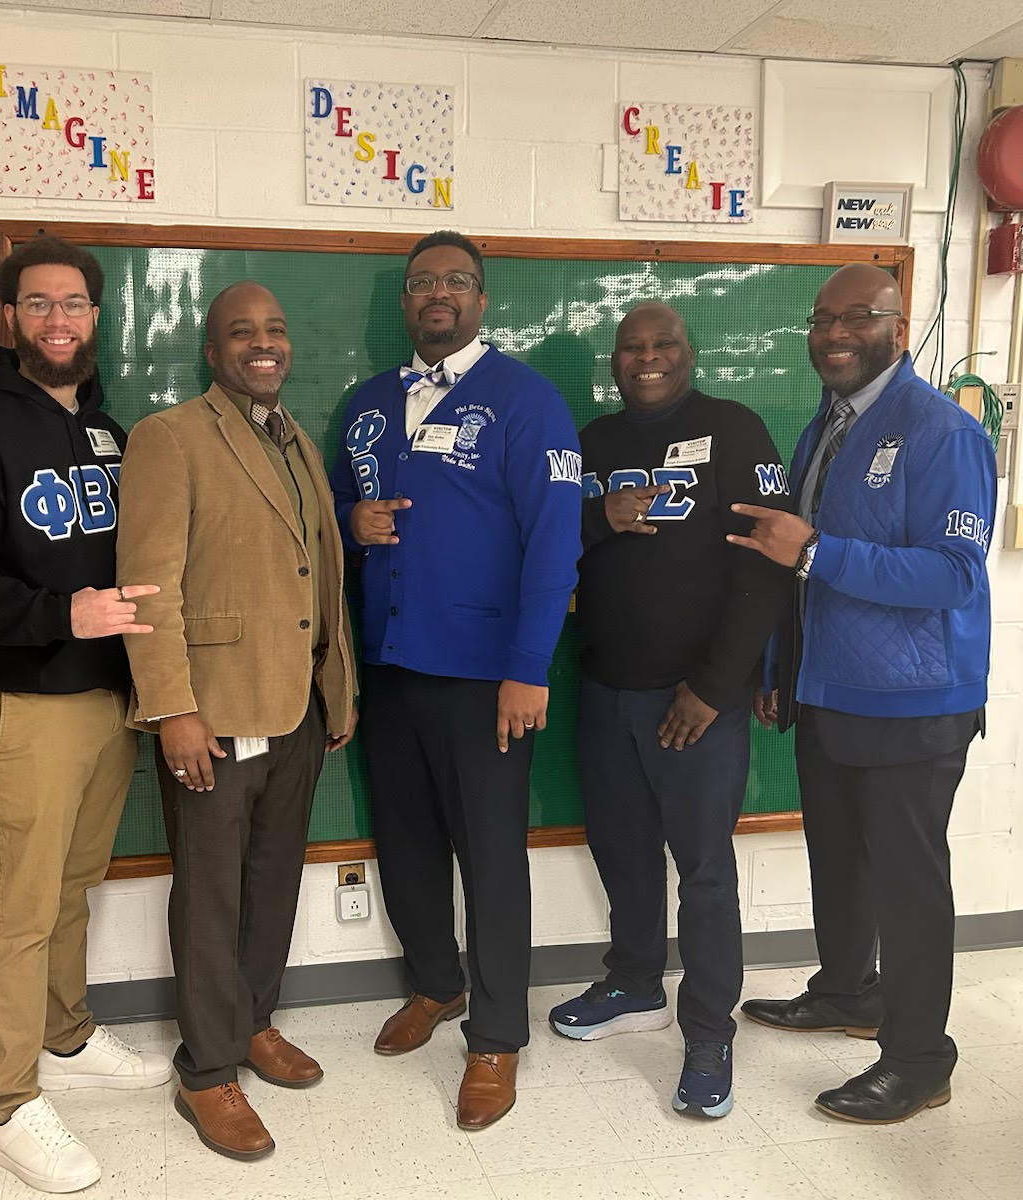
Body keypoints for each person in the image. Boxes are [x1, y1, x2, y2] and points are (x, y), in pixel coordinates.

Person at [0, 236, 172, 1194]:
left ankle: (62, 1035)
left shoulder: (108, 429)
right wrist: (57, 615)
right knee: (21, 906)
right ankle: (9, 1104)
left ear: (95, 316)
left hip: (108, 699)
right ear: (11, 316)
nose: (58, 320)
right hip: (23, 704)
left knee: (74, 883)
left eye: (74, 303)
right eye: (38, 304)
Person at [729, 263, 996, 1124]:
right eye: (821, 319)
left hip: (915, 703)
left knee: (908, 885)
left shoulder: (941, 431)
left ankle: (920, 1060)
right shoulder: (827, 427)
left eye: (855, 317)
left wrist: (818, 553)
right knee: (837, 861)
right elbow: (789, 561)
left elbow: (953, 574)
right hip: (828, 691)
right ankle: (849, 991)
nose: (834, 333)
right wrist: (781, 667)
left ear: (896, 323)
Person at [332, 230, 583, 1131]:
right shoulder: (368, 405)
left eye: (455, 281)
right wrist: (349, 520)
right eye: (420, 282)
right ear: (404, 303)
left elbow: (557, 543)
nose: (436, 293)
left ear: (482, 300)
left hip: (486, 680)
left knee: (489, 856)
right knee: (403, 841)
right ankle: (435, 984)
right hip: (390, 667)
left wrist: (528, 670)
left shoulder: (526, 401)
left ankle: (498, 1035)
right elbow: (325, 522)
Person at [116, 281, 357, 1162]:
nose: (265, 344)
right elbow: (148, 588)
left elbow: (319, 575)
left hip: (296, 706)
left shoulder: (296, 440)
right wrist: (173, 706)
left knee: (274, 880)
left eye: (276, 328)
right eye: (242, 333)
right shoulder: (169, 438)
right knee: (213, 894)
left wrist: (342, 685)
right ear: (212, 353)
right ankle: (208, 1068)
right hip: (211, 715)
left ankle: (255, 1021)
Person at [549, 302, 791, 1119]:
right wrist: (596, 516)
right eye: (632, 348)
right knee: (620, 852)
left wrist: (714, 687)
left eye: (663, 345)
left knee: (705, 872)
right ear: (615, 362)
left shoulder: (736, 428)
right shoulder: (594, 442)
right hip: (606, 692)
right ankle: (633, 982)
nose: (647, 358)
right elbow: (550, 537)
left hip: (696, 700)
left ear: (691, 353)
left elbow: (767, 570)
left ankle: (710, 1032)